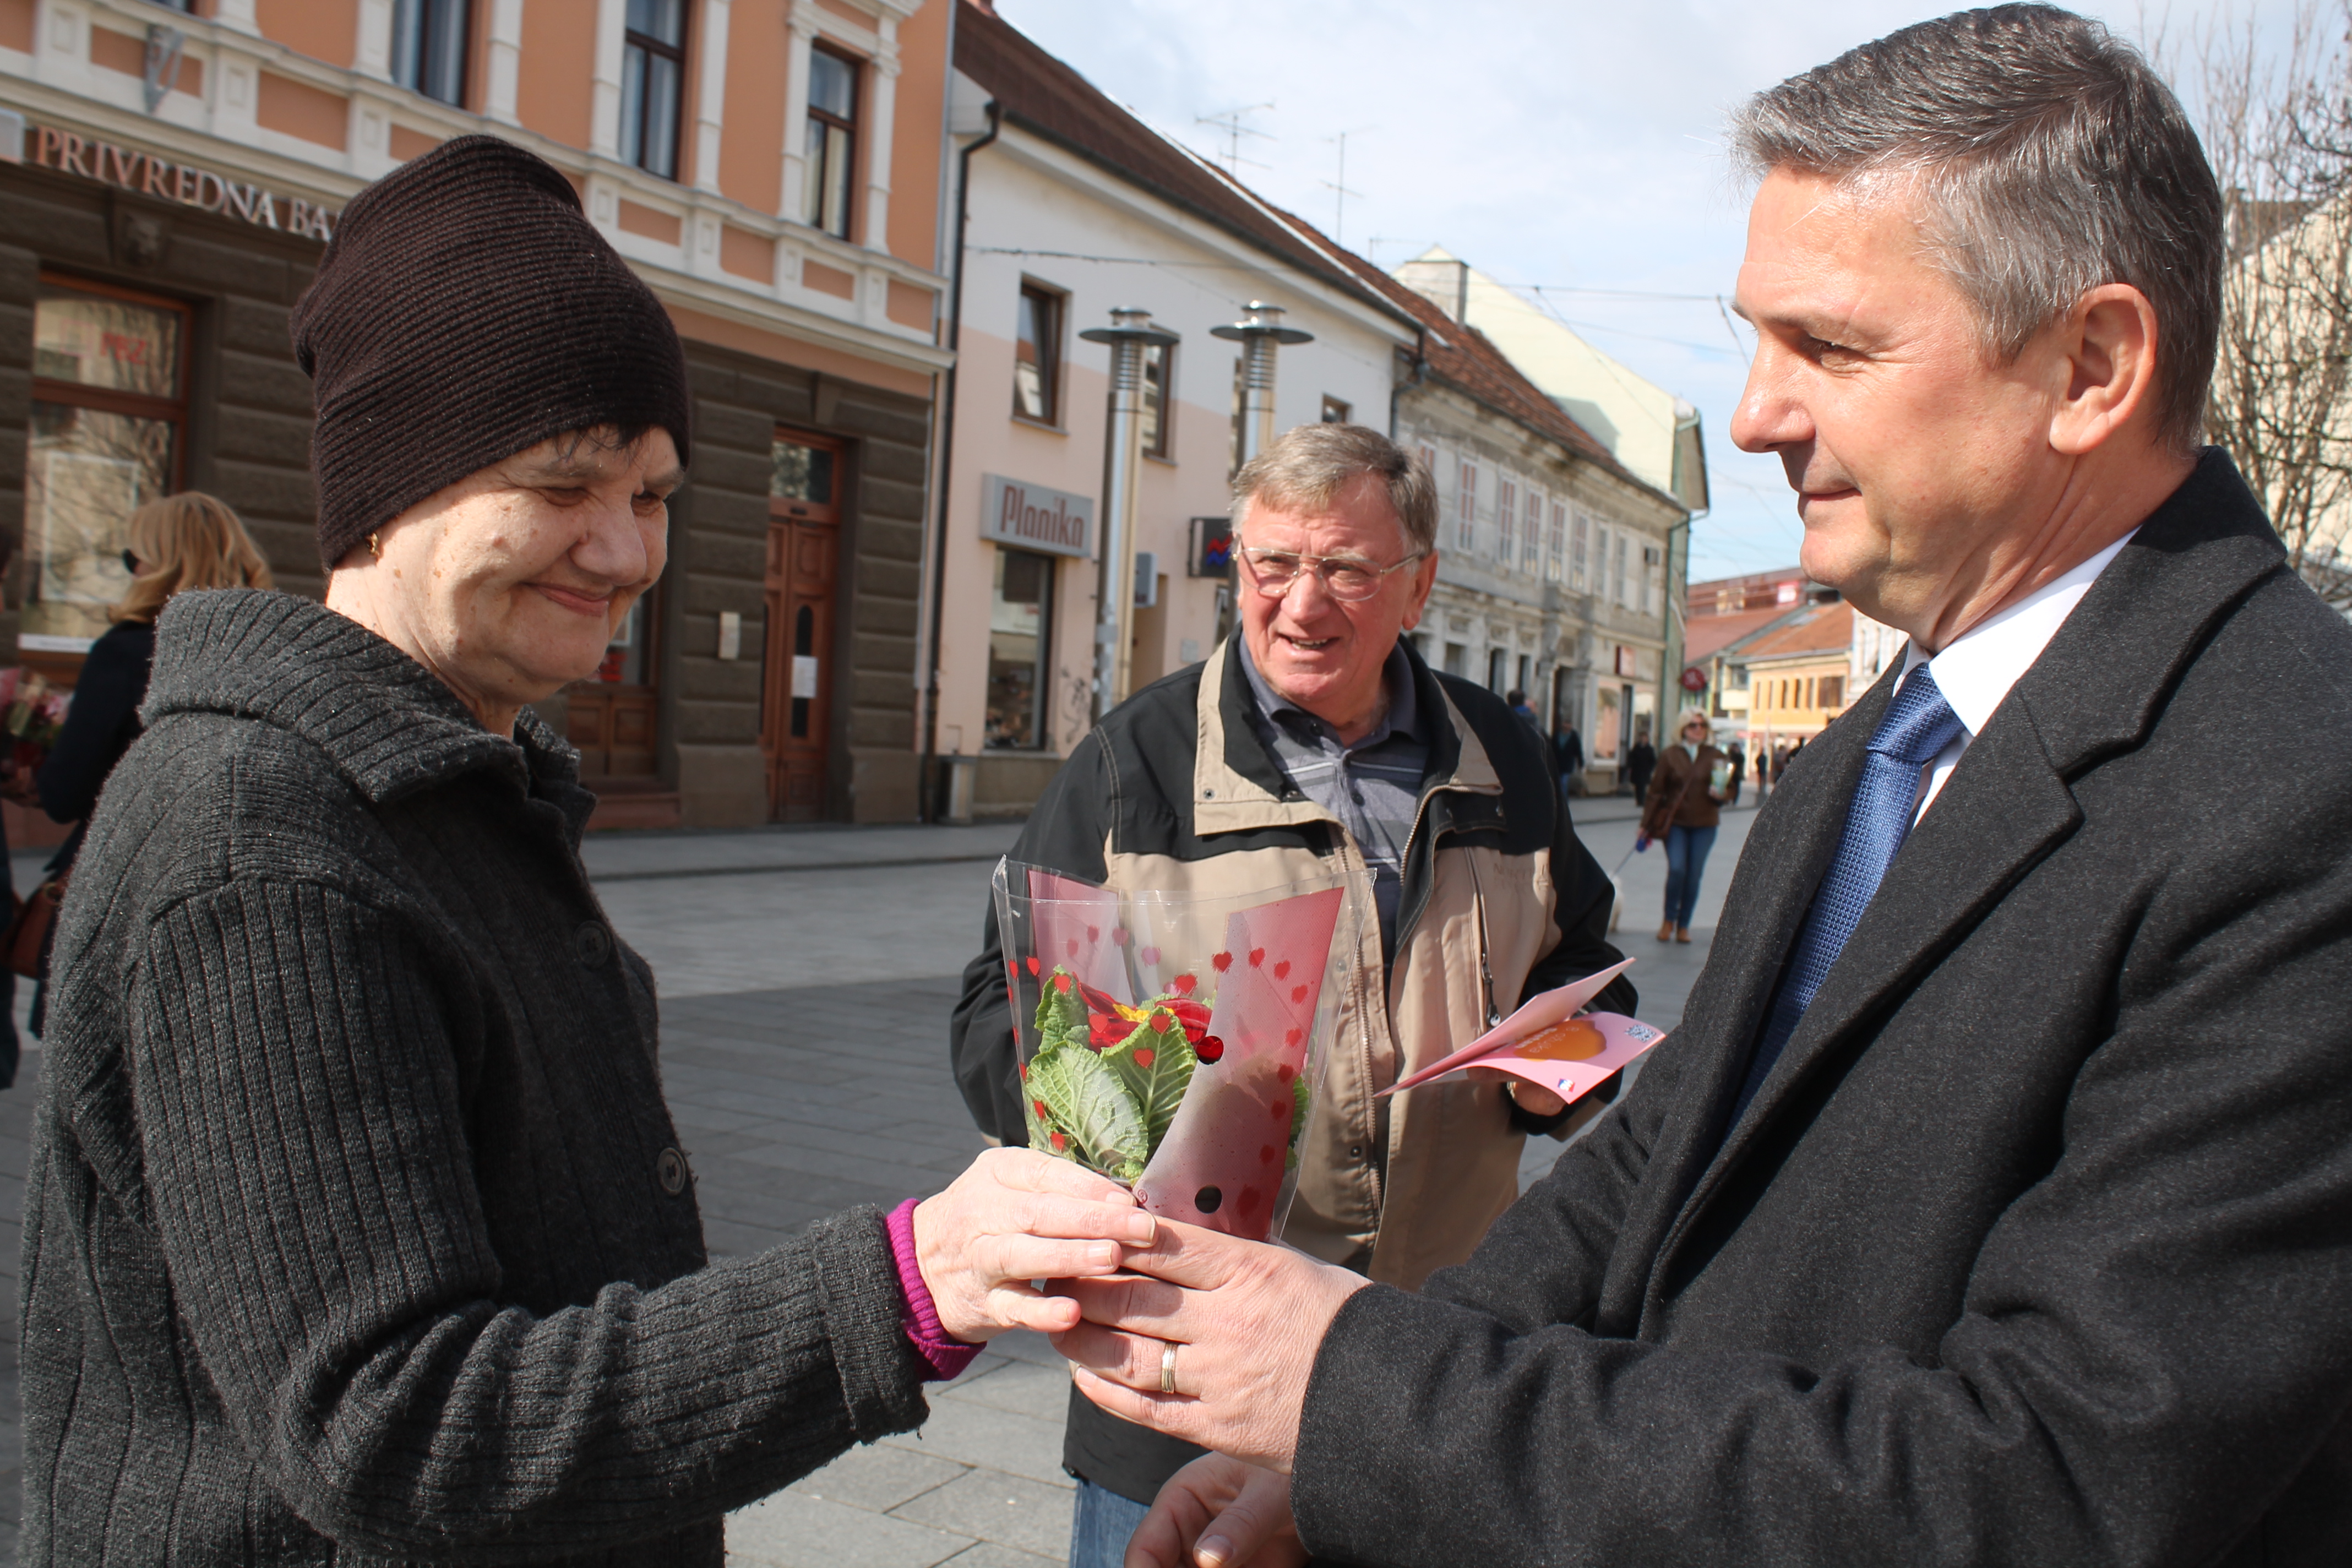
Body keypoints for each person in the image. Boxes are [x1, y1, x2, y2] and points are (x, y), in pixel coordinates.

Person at [1055, 11, 2352, 1564]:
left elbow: (2051, 1483)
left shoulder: (2295, 787)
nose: (1753, 415)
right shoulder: (1880, 747)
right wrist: (1344, 1450)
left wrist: (1361, 1394)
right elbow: (1657, 1169)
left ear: (2092, 365)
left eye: (1832, 347)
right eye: (1755, 341)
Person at [19, 136, 1152, 1566]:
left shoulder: (452, 787)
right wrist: (909, 1284)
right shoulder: (260, 837)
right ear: (385, 487)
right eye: (563, 484)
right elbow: (398, 1425)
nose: (624, 552)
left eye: (653, 494)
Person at [948, 422, 1632, 1567]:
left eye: (1347, 569)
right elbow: (995, 1012)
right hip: (1188, 1365)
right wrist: (1113, 1113)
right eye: (1272, 563)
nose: (1301, 603)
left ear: (1417, 584)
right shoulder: (1131, 764)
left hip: (1432, 1359)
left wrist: (1558, 1067)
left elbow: (1583, 955)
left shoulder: (1504, 756)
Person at [8, 492, 273, 1038]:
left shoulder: (129, 651)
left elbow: (65, 793)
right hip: (234, 892)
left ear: (161, 563)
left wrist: (39, 774)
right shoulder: (262, 648)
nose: (131, 570)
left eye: (135, 557)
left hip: (121, 897)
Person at [1641, 710, 1728, 943]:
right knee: (1677, 869)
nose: (1698, 729)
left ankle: (1684, 925)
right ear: (1683, 728)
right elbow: (1656, 792)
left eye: (1702, 725)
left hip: (1705, 825)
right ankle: (1668, 920)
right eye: (1693, 725)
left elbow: (1730, 788)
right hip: (1676, 824)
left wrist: (1721, 794)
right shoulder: (1671, 755)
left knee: (1694, 875)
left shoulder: (1716, 755)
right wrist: (1645, 824)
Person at [1554, 720, 1583, 797]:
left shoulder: (1574, 737)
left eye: (1568, 726)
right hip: (1557, 763)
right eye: (1565, 726)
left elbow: (1578, 750)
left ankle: (1564, 799)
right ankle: (1559, 798)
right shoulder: (1557, 735)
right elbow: (1552, 748)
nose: (1566, 728)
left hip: (1567, 763)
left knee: (1563, 782)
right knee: (1558, 782)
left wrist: (1581, 763)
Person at [1624, 733, 1656, 799]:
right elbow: (1631, 758)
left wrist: (1650, 769)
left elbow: (1653, 760)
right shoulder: (1636, 748)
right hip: (1637, 770)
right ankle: (1639, 799)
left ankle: (1642, 800)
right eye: (1641, 738)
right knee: (1638, 785)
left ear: (1647, 739)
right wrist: (1630, 766)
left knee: (1642, 785)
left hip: (1645, 770)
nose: (1643, 740)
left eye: (1644, 738)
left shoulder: (1649, 749)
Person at [1724, 737, 1747, 804]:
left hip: (1736, 774)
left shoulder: (1739, 756)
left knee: (1736, 788)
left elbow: (1741, 761)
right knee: (1729, 787)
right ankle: (1728, 799)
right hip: (1730, 774)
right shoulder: (1730, 755)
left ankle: (1734, 800)